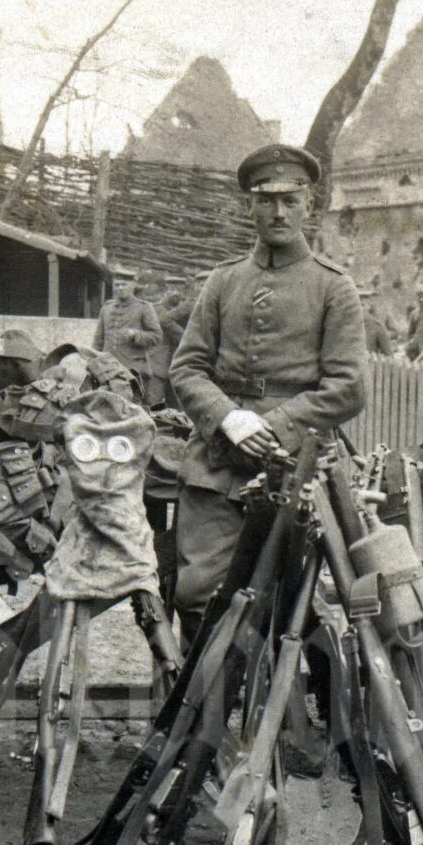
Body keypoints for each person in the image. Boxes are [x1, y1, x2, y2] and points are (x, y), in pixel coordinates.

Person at [168, 142, 366, 643]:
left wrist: (274, 425)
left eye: (291, 200)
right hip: (217, 463)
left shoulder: (334, 287)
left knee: (295, 600)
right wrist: (230, 419)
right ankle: (204, 717)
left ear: (309, 205)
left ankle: (284, 713)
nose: (279, 212)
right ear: (249, 206)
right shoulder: (222, 281)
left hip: (296, 465)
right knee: (196, 594)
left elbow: (348, 388)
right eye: (266, 200)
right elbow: (187, 367)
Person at [93, 270, 168, 406]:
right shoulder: (106, 308)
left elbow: (157, 336)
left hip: (133, 370)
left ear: (133, 285)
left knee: (131, 408)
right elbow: (98, 340)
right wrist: (93, 362)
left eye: (124, 284)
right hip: (108, 368)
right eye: (117, 285)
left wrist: (136, 335)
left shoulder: (144, 308)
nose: (120, 288)